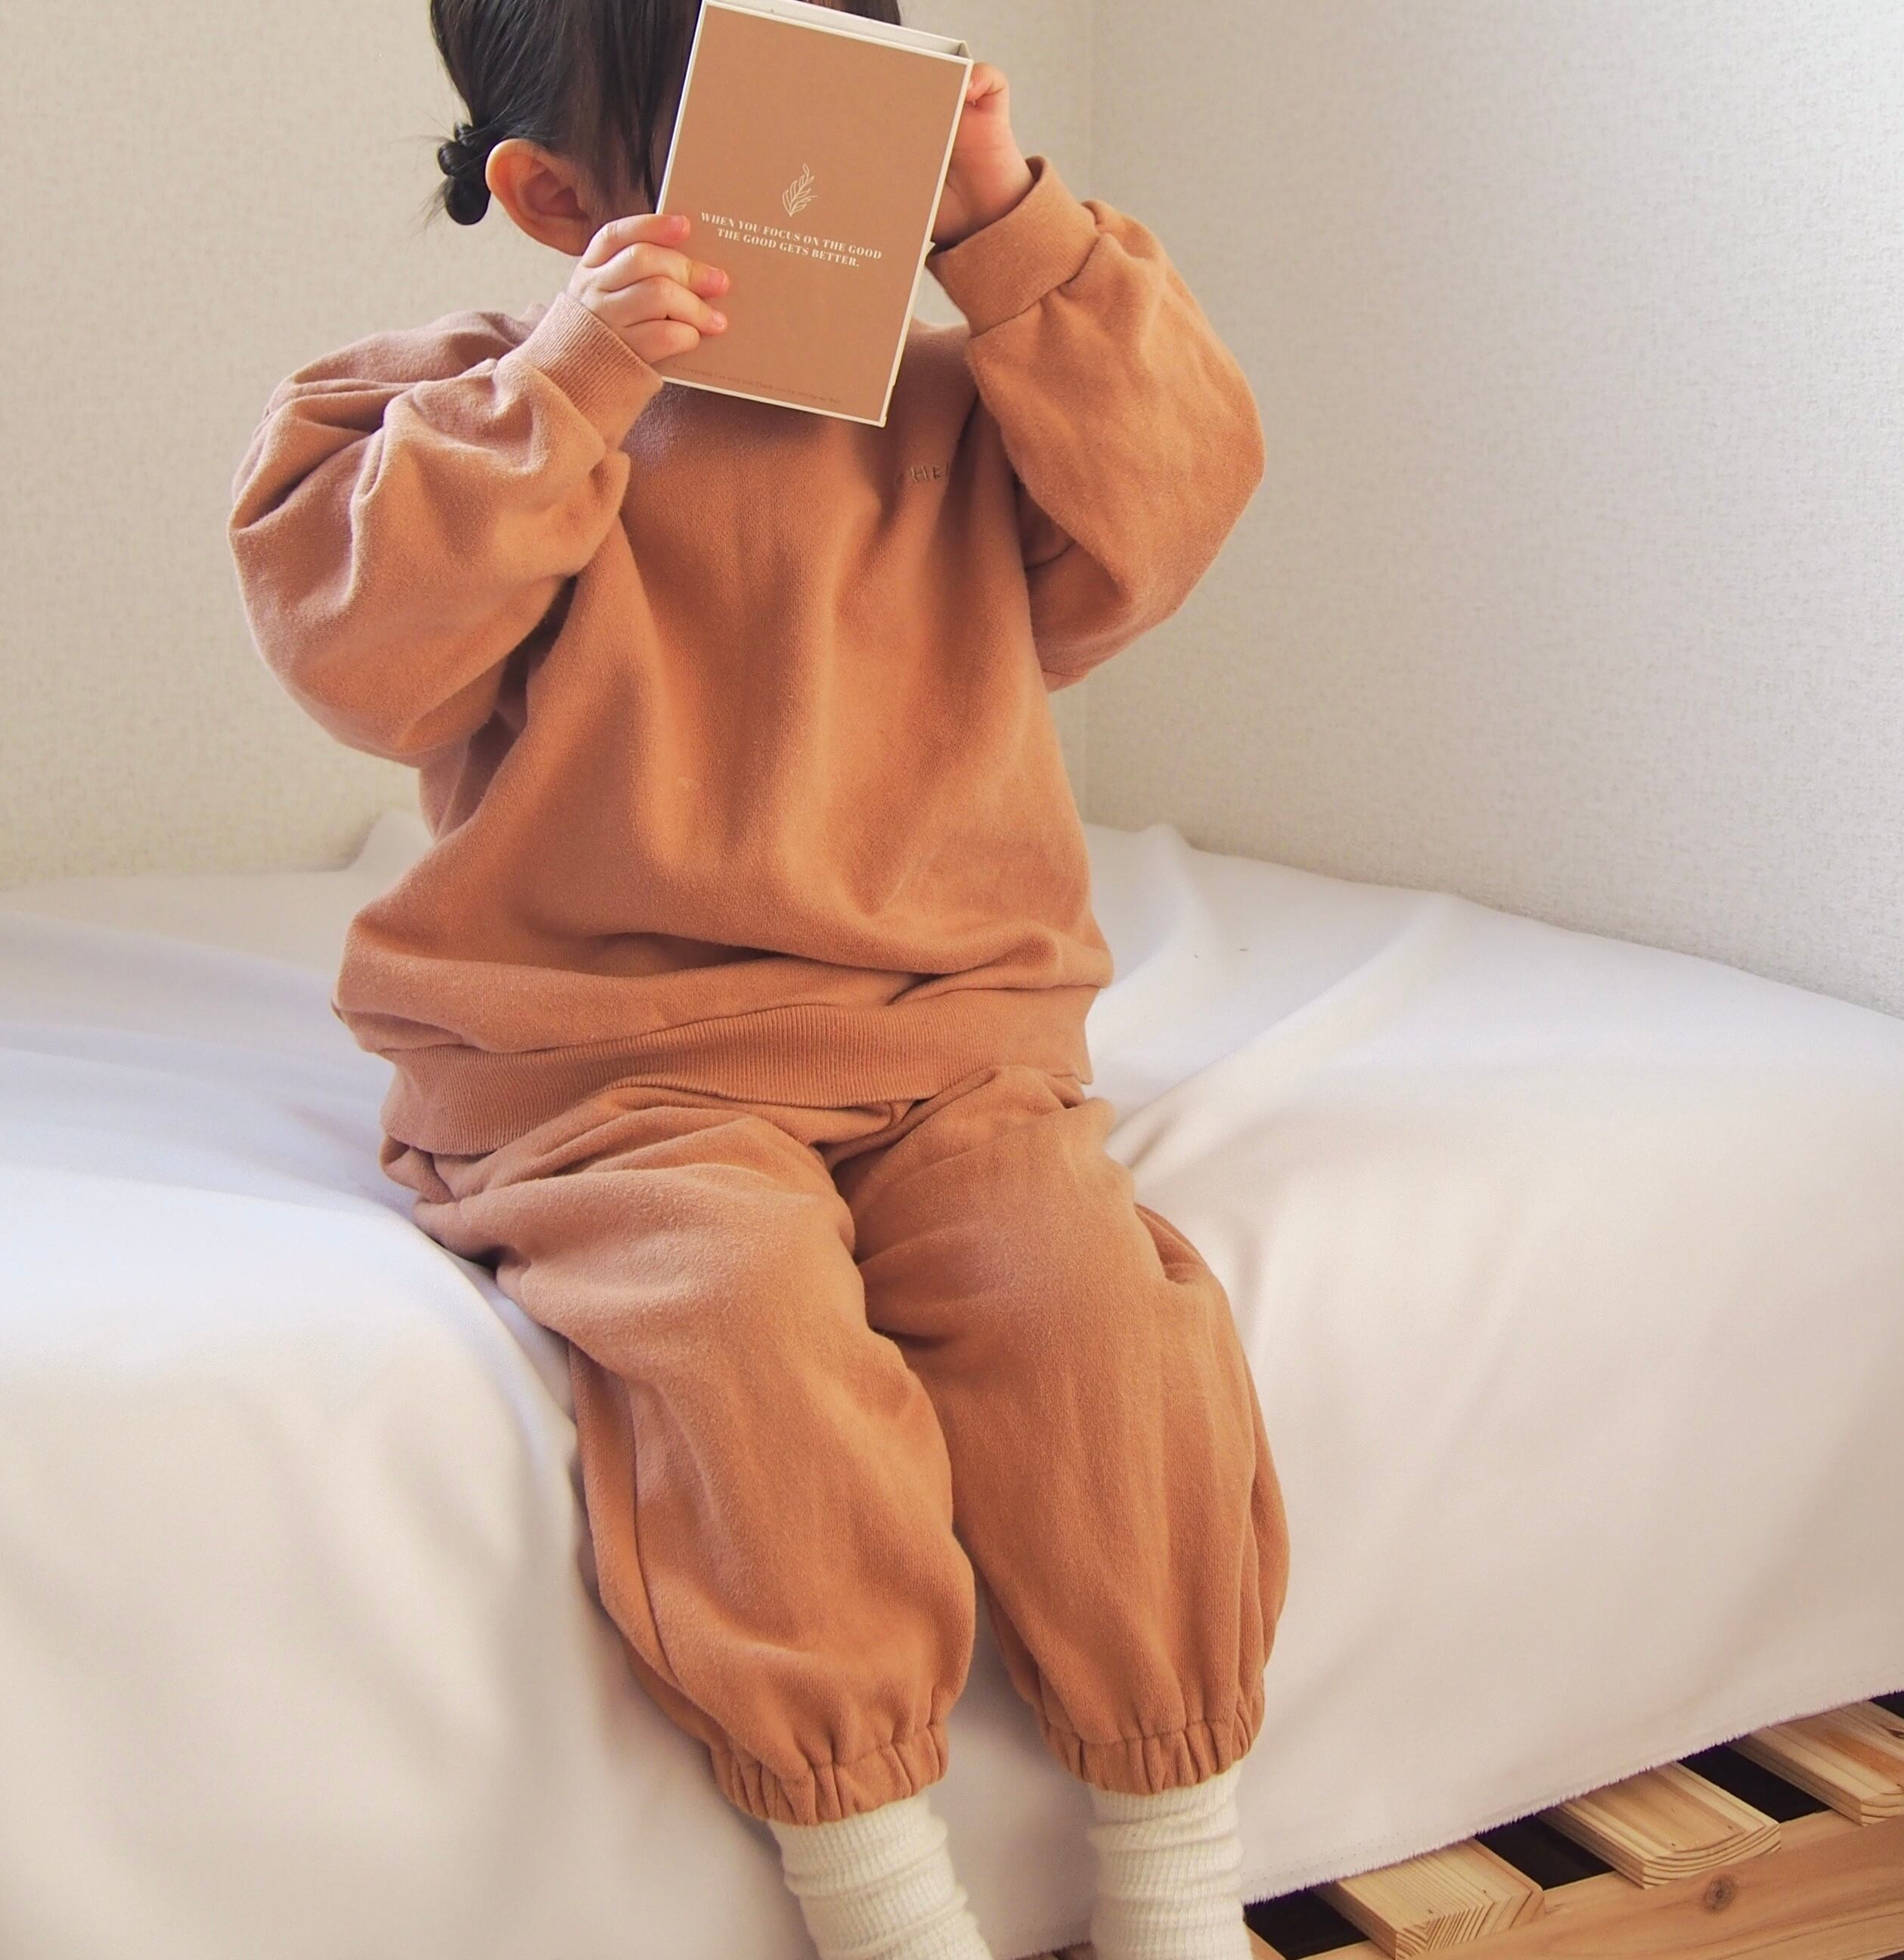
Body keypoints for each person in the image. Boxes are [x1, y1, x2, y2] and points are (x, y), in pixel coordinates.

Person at [226, 3, 1288, 1955]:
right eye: (727, 141)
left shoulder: (968, 407)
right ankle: (881, 1891)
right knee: (740, 1323)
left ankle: (1176, 1876)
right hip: (602, 1068)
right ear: (554, 198)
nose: (806, 188)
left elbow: (1179, 495)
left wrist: (1012, 225)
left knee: (1091, 1317)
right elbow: (366, 655)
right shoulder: (451, 414)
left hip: (950, 1045)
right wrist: (572, 383)